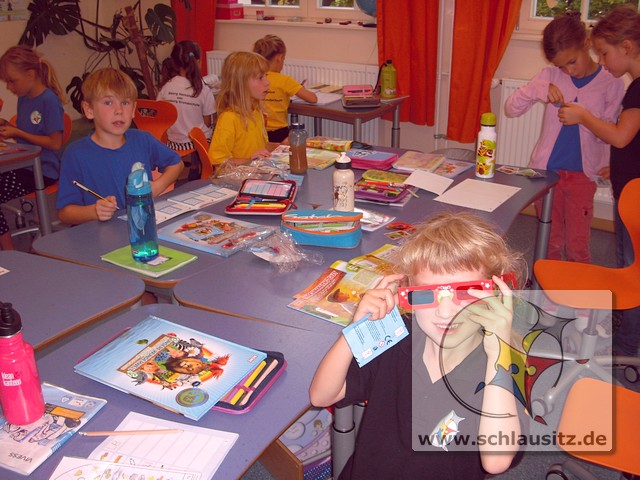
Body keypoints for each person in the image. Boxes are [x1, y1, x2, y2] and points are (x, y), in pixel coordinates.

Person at [309, 212, 525, 479]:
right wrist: (356, 330)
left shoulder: (501, 366)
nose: (446, 313)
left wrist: (500, 354)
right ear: (407, 292)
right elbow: (322, 396)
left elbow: (496, 462)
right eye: (427, 294)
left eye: (465, 293)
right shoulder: (396, 336)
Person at [505, 12, 624, 264]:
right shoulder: (549, 76)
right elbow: (511, 108)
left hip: (582, 175)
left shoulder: (610, 83)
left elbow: (610, 133)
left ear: (586, 44)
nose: (569, 71)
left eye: (572, 62)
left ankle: (578, 299)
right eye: (561, 66)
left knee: (578, 245)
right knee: (550, 239)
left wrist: (584, 118)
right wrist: (539, 89)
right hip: (548, 173)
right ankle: (547, 296)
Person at [557, 4, 640, 358]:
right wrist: (615, 167)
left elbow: (621, 137)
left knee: (631, 268)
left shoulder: (637, 89)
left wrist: (583, 116)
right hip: (627, 184)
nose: (603, 62)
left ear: (627, 47)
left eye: (604, 53)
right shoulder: (634, 86)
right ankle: (627, 336)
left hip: (633, 197)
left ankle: (626, 346)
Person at [56, 68, 183, 225]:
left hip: (142, 228)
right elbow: (65, 213)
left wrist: (158, 186)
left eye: (125, 102)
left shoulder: (142, 139)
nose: (119, 111)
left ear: (133, 110)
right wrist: (93, 211)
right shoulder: (75, 154)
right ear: (89, 110)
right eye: (108, 102)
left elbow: (176, 163)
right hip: (100, 237)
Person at [0, 45, 66, 250]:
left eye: (12, 81)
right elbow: (26, 135)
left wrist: (18, 133)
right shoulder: (23, 99)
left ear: (30, 74)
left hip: (43, 170)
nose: (10, 87)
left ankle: (9, 252)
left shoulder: (48, 100)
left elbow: (55, 143)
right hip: (25, 165)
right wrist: (10, 128)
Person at [208, 51, 271, 166]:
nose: (267, 82)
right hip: (236, 180)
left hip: (255, 173)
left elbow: (262, 147)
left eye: (266, 76)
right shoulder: (229, 119)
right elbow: (217, 161)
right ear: (240, 84)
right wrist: (249, 160)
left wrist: (282, 145)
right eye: (260, 78)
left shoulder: (255, 111)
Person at [252, 34, 317, 143]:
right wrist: (300, 88)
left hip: (257, 132)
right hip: (279, 133)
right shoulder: (285, 80)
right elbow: (312, 98)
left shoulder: (253, 78)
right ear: (279, 58)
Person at [157, 40, 216, 151]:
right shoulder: (203, 89)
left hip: (172, 142)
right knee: (215, 126)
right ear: (198, 62)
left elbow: (161, 112)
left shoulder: (165, 87)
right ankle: (200, 163)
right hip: (197, 143)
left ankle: (192, 163)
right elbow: (207, 122)